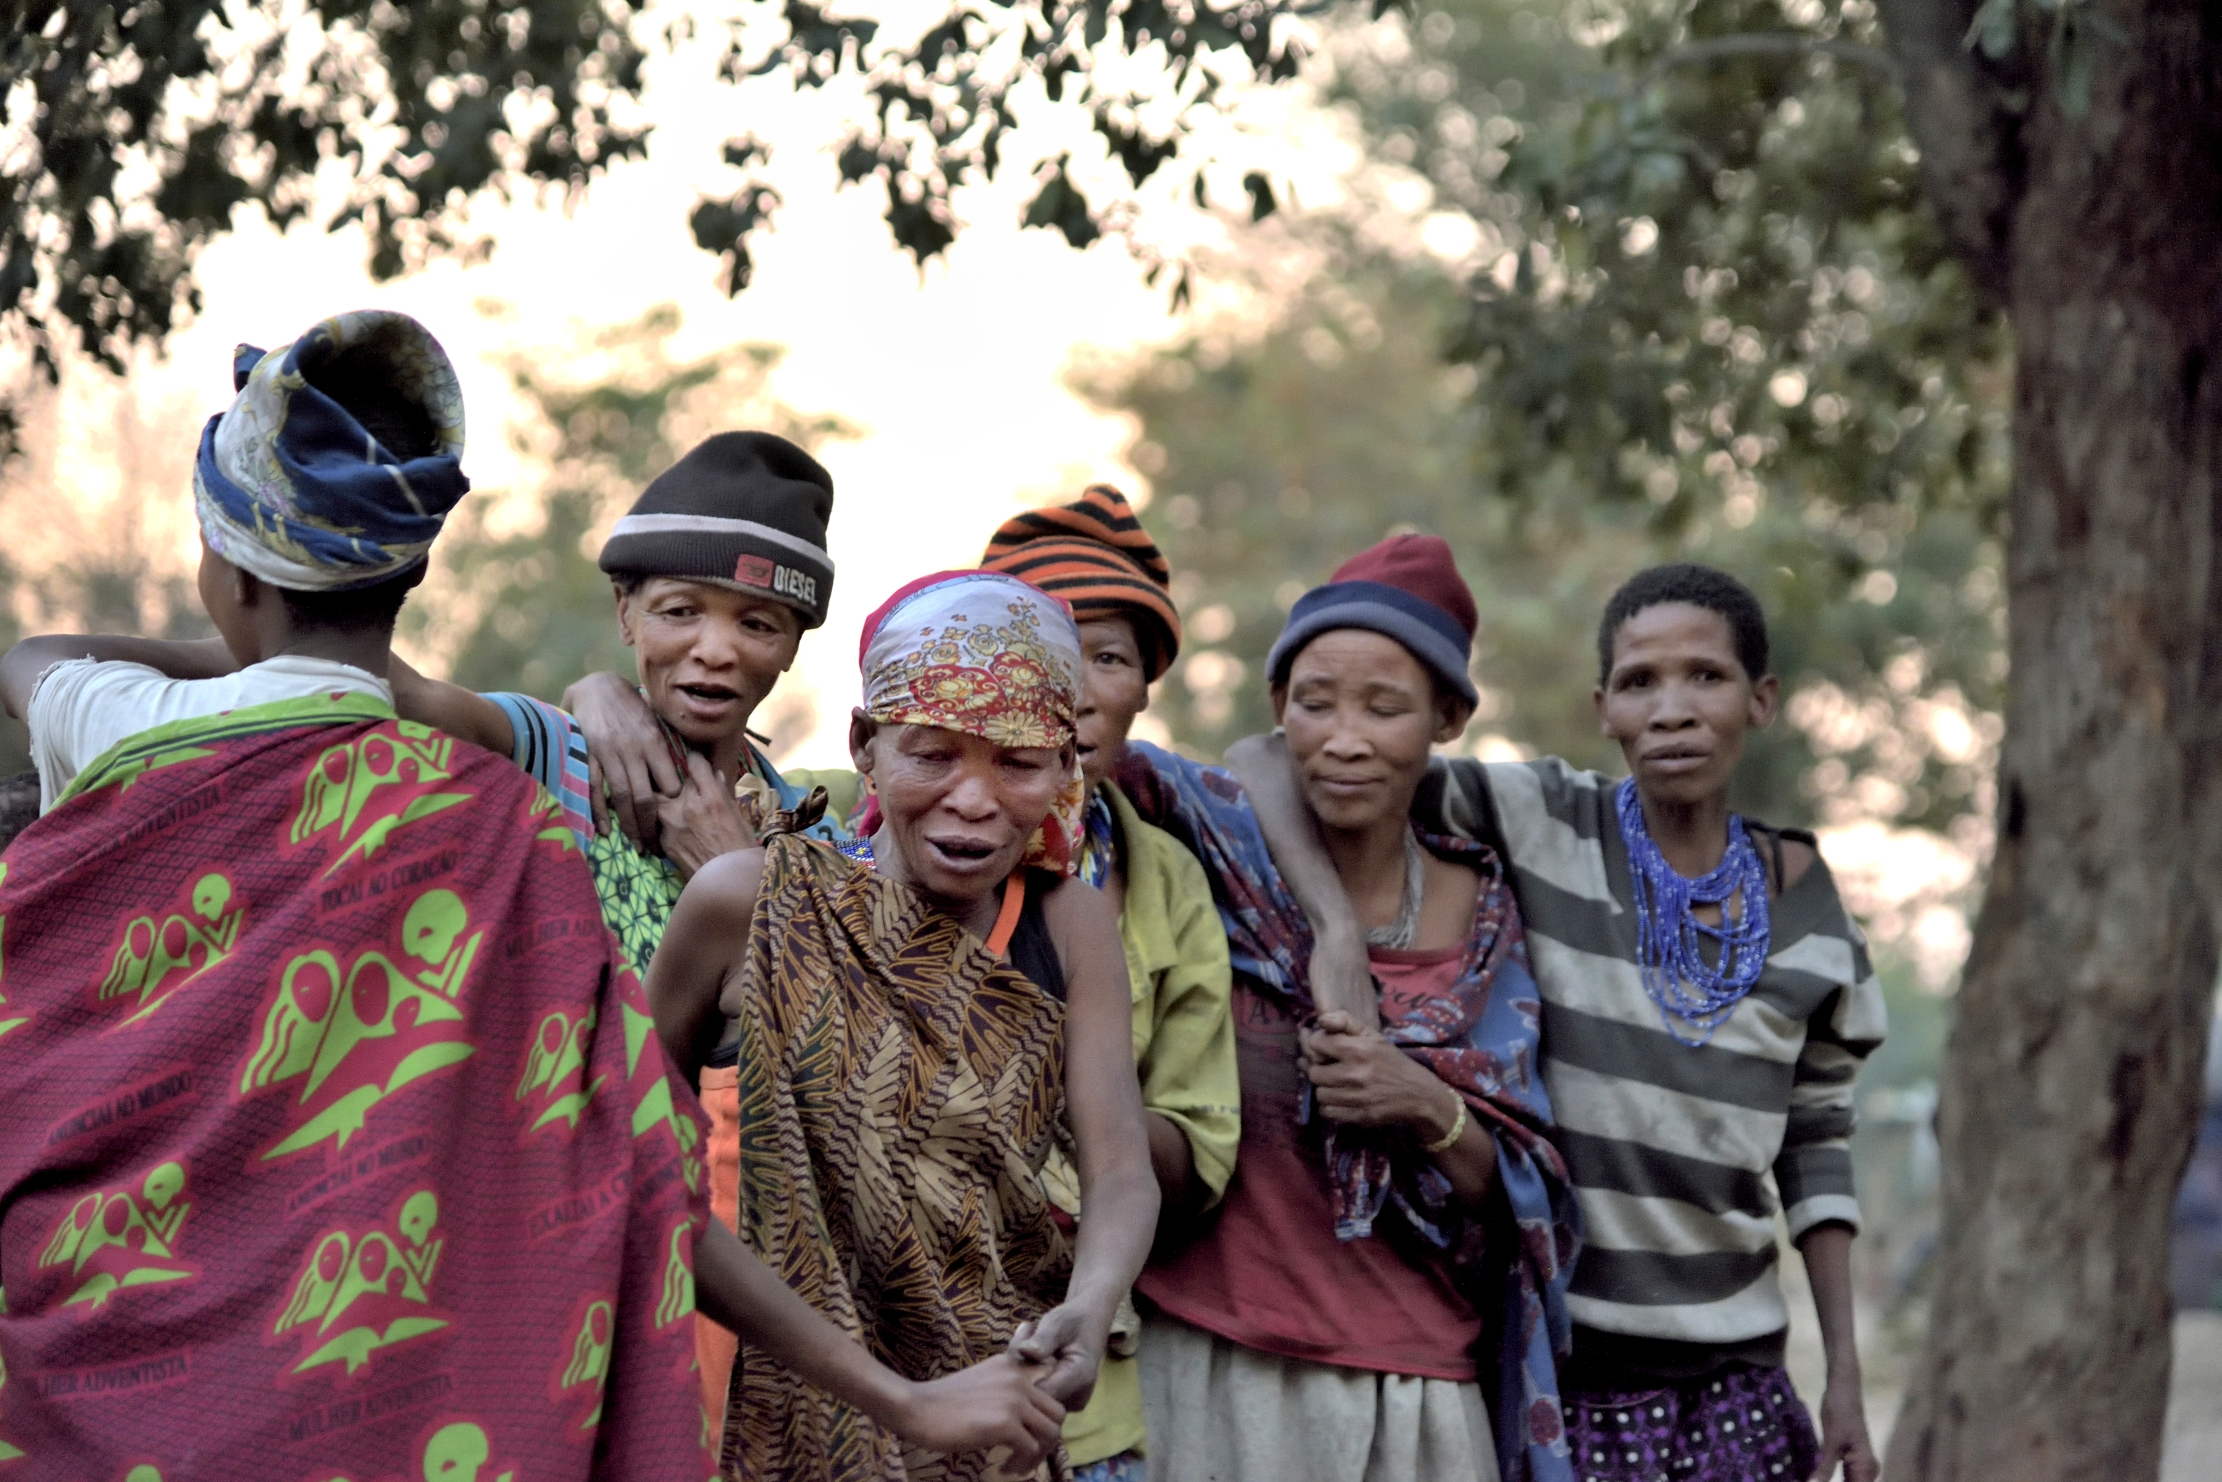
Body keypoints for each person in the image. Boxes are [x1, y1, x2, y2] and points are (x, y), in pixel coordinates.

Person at [0, 311, 719, 1478]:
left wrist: (232, 647)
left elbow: (30, 659)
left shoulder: (120, 720)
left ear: (225, 575)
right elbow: (610, 1142)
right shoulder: (503, 820)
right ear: (408, 580)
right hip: (390, 1403)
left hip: (97, 1374)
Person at [1231, 562, 1887, 1482]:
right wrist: (1337, 931)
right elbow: (1265, 759)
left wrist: (1846, 1378)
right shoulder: (1544, 819)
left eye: (1707, 676)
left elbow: (1816, 1146)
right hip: (1566, 1367)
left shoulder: (1808, 904)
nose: (1672, 710)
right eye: (1639, 683)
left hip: (1738, 1375)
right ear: (1603, 708)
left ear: (1761, 699)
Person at [644, 570, 1162, 1481]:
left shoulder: (1066, 927)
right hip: (744, 1409)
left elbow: (1119, 1167)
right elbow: (635, 1169)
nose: (973, 799)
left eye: (1018, 762)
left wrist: (1089, 1303)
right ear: (864, 747)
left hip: (988, 1413)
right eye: (932, 754)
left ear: (1065, 768)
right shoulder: (752, 903)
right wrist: (898, 1401)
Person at [378, 429, 853, 1418]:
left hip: (724, 1295)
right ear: (625, 611)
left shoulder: (815, 837)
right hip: (524, 1245)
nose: (716, 650)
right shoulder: (548, 751)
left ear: (794, 645)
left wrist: (737, 865)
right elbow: (368, 686)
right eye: (680, 611)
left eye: (758, 622)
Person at [1112, 535, 1581, 1482]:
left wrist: (1426, 1107)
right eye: (1315, 702)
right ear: (1281, 705)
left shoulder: (1486, 912)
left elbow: (1522, 1181)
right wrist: (1330, 927)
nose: (1346, 738)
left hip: (1411, 1394)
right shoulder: (1205, 850)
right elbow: (1118, 754)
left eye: (1385, 707)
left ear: (1447, 718)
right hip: (1207, 1359)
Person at [979, 487, 1242, 1482]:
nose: (1076, 690)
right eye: (1043, 651)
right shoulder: (887, 856)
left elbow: (1198, 1138)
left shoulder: (1166, 877)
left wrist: (1083, 1098)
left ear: (1142, 689)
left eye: (1109, 658)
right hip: (901, 1372)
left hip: (1083, 1387)